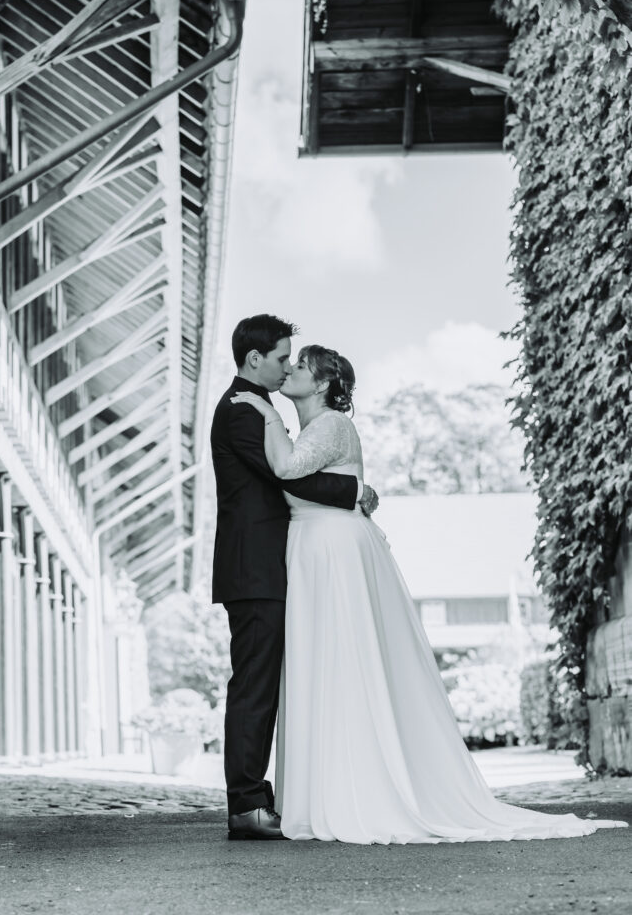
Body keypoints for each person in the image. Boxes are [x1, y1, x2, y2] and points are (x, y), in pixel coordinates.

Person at [232, 343, 628, 845]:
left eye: (301, 366)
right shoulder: (308, 430)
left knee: (344, 663)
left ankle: (356, 790)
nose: (289, 371)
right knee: (322, 665)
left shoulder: (331, 425)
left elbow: (286, 472)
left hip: (333, 551)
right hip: (313, 550)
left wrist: (262, 411)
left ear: (326, 384)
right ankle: (328, 789)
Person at [210, 315, 379, 841]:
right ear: (254, 358)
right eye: (283, 357)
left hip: (272, 567)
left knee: (269, 684)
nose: (287, 367)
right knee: (255, 687)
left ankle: (265, 800)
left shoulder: (260, 408)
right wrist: (355, 494)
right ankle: (246, 806)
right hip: (256, 570)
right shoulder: (243, 411)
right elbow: (286, 478)